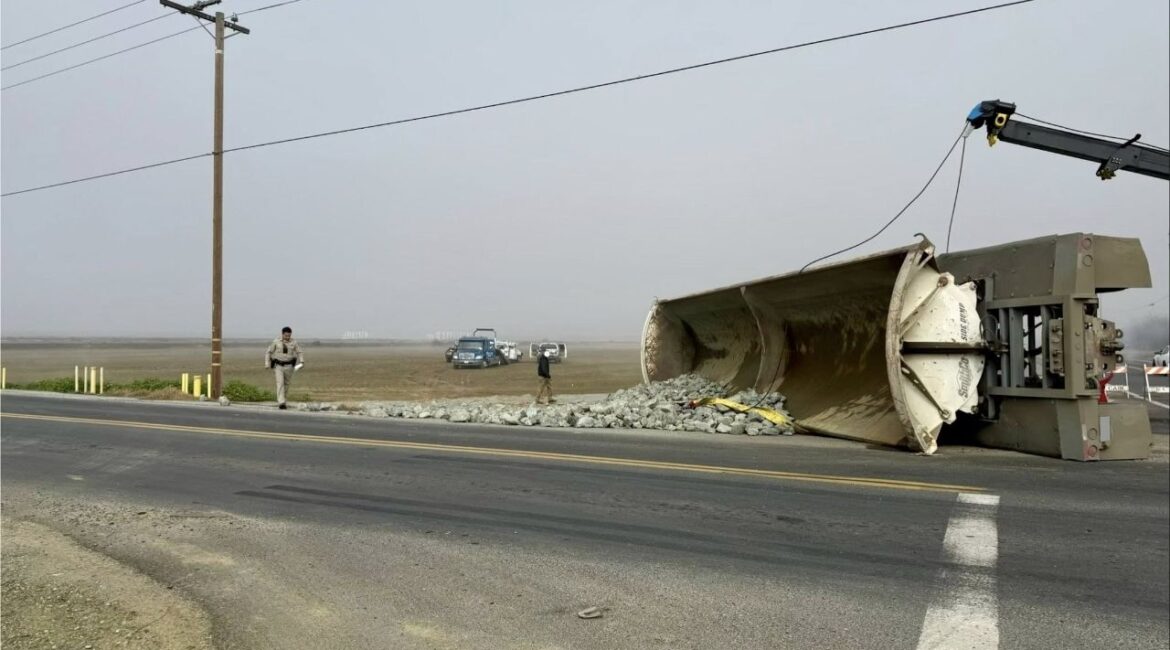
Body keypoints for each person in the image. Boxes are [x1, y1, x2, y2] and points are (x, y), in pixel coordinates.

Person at [265, 326, 304, 409]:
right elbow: (268, 352)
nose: (287, 337)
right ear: (282, 334)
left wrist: (302, 361)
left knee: (286, 384)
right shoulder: (276, 342)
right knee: (280, 383)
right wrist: (267, 363)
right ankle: (281, 402)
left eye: (289, 335)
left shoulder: (294, 342)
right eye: (286, 335)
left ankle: (284, 400)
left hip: (289, 366)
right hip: (278, 366)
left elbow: (299, 352)